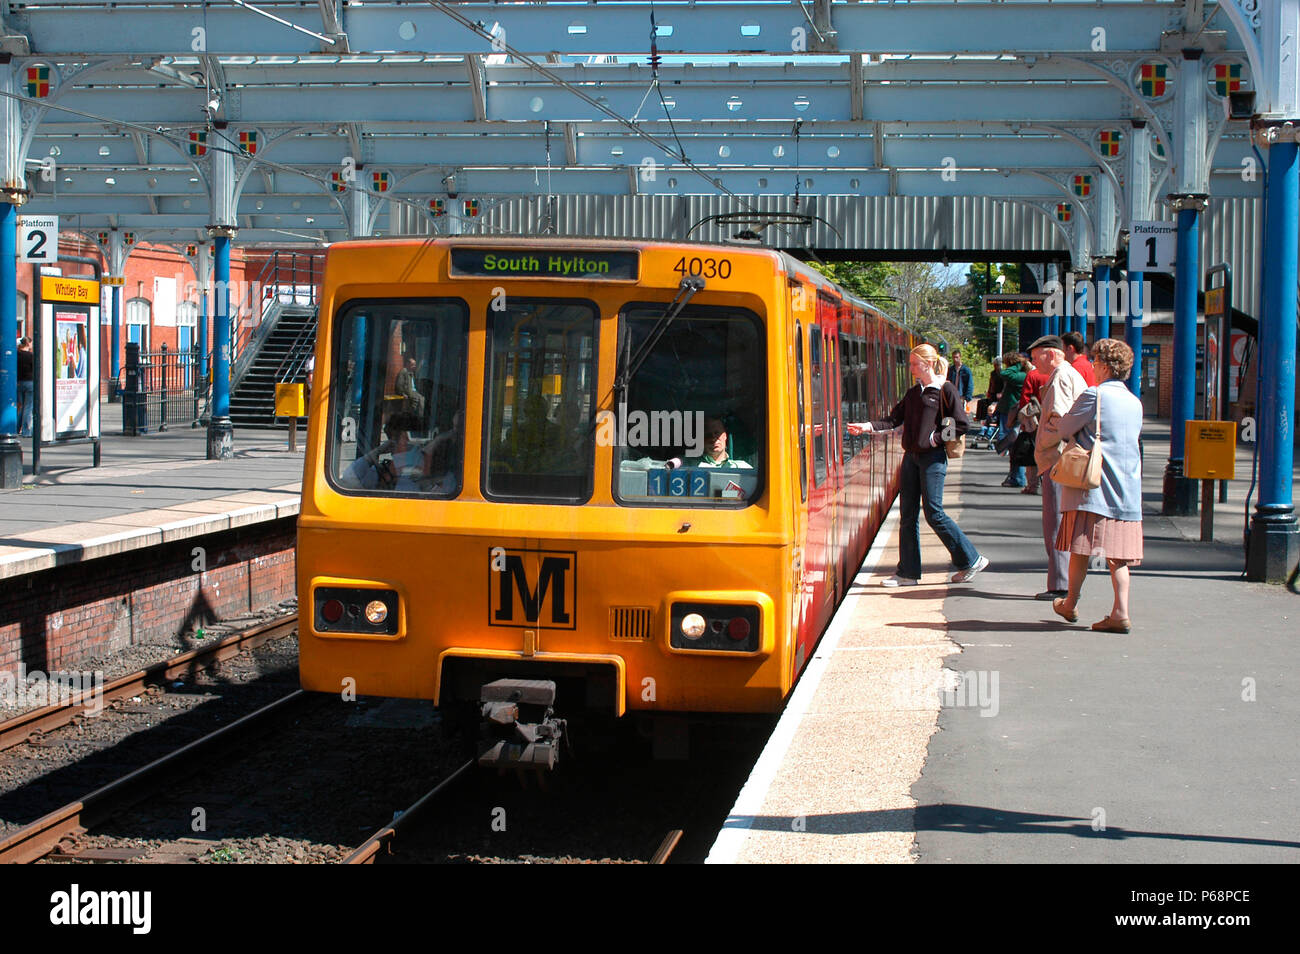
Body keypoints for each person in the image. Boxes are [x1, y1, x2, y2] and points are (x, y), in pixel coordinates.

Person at [847, 344, 988, 586]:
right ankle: (908, 573)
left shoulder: (945, 390)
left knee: (934, 513)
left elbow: (961, 423)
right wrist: (867, 427)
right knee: (907, 515)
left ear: (928, 363)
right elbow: (893, 419)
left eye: (914, 363)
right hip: (911, 458)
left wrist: (936, 438)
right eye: (911, 363)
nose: (911, 367)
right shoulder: (914, 393)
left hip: (932, 459)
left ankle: (971, 558)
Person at [1039, 339, 1143, 632]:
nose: (1093, 367)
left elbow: (1064, 428)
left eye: (1096, 362)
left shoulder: (1093, 396)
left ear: (1106, 366)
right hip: (1126, 491)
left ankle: (1070, 603)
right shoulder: (1135, 403)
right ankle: (1120, 612)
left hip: (1092, 487)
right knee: (1118, 557)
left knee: (1080, 547)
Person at [1029, 334, 1087, 601]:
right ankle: (1061, 581)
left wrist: (1042, 444)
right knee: (1060, 522)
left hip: (1057, 460)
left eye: (1035, 356)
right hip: (1063, 459)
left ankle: (1059, 584)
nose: (1032, 363)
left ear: (1050, 354)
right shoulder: (1069, 374)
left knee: (1056, 523)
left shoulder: (1060, 377)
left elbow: (1059, 420)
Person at [341, 412, 427, 491]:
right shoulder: (382, 471)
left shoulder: (421, 469)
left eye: (396, 438)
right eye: (390, 438)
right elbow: (349, 479)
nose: (392, 444)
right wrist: (375, 453)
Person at [995, 352, 1029, 487]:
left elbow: (1005, 374)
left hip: (1012, 413)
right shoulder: (1019, 374)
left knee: (1014, 445)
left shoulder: (1019, 375)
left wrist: (1014, 365)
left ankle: (1019, 477)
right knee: (1014, 446)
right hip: (1010, 412)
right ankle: (1015, 476)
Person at [687, 416, 751, 468]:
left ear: (725, 435)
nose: (713, 439)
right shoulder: (690, 466)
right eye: (707, 435)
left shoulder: (742, 467)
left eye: (717, 433)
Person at [17, 336, 33, 437]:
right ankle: (26, 431)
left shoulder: (17, 355)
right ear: (28, 344)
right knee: (28, 407)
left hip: (19, 383)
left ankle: (16, 428)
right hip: (29, 382)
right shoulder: (30, 356)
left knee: (22, 407)